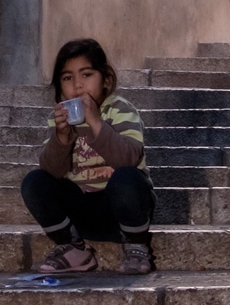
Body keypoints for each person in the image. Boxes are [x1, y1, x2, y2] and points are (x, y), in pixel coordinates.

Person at [21, 38, 156, 275]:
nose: (78, 85)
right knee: (34, 182)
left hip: (122, 212)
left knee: (128, 179)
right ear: (59, 87)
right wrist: (61, 138)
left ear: (105, 79)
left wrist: (96, 122)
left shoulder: (121, 110)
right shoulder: (60, 119)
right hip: (82, 212)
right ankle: (74, 249)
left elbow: (129, 158)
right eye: (67, 78)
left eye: (86, 75)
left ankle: (136, 245)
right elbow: (51, 170)